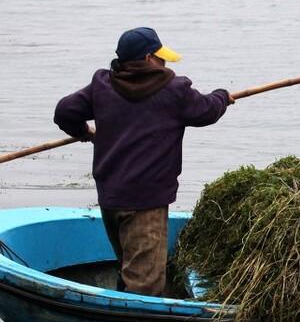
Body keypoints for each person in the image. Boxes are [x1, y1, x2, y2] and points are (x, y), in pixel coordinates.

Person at [54, 27, 232, 296]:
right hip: (145, 205)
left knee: (130, 266)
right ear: (149, 58)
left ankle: (119, 306)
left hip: (111, 200)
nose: (163, 62)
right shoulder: (174, 90)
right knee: (144, 288)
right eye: (160, 57)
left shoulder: (103, 86)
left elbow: (65, 111)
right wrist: (223, 96)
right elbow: (206, 110)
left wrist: (84, 133)